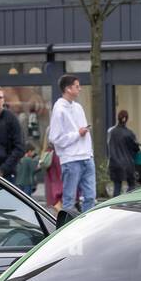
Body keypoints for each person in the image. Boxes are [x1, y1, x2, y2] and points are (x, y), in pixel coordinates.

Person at [48, 73, 96, 210]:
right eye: (77, 86)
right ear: (68, 89)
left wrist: (89, 151)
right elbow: (54, 137)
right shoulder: (59, 110)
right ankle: (67, 228)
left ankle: (87, 226)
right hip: (71, 160)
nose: (80, 89)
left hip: (86, 157)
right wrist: (77, 134)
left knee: (91, 197)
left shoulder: (78, 107)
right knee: (69, 199)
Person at [107, 109, 141, 196]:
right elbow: (135, 147)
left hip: (114, 163)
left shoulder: (112, 132)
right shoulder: (129, 133)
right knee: (132, 185)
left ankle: (115, 205)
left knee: (117, 186)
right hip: (127, 163)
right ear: (126, 119)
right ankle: (126, 202)